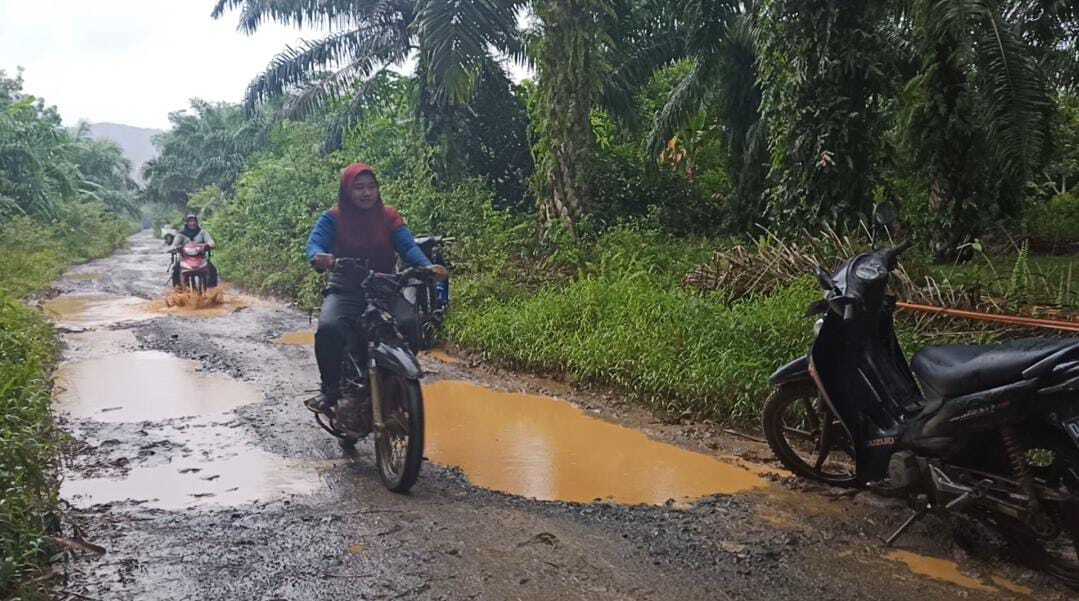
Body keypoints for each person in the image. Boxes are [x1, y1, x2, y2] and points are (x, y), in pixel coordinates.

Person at [305, 163, 447, 414]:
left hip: (384, 287)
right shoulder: (333, 218)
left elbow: (408, 247)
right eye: (359, 187)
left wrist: (427, 267)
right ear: (347, 191)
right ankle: (330, 391)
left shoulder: (389, 217)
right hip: (346, 289)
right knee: (329, 329)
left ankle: (396, 382)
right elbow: (315, 244)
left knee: (408, 323)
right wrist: (319, 257)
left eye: (371, 187)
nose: (366, 193)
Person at [169, 214, 218, 287]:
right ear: (187, 223)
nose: (192, 223)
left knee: (212, 269)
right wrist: (175, 248)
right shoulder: (181, 234)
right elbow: (174, 245)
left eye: (194, 221)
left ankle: (211, 288)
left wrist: (208, 245)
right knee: (176, 269)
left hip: (201, 258)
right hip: (185, 258)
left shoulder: (202, 232)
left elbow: (211, 242)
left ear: (197, 222)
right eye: (190, 221)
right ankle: (178, 288)